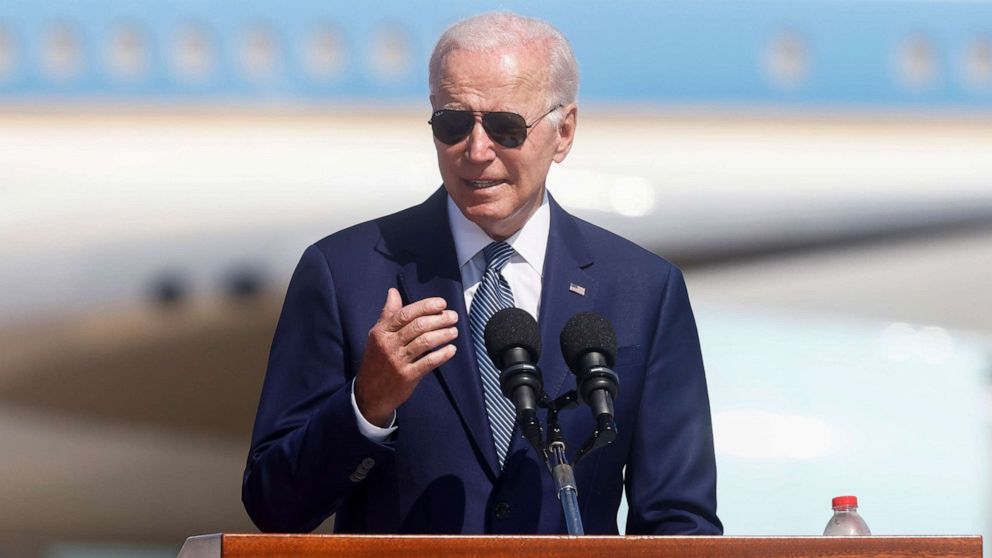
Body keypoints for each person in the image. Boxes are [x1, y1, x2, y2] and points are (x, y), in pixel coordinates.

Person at [242, 12, 722, 535]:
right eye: (453, 124)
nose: (476, 150)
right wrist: (366, 405)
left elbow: (679, 522)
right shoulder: (343, 273)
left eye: (505, 127)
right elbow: (273, 505)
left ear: (563, 133)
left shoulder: (643, 289)